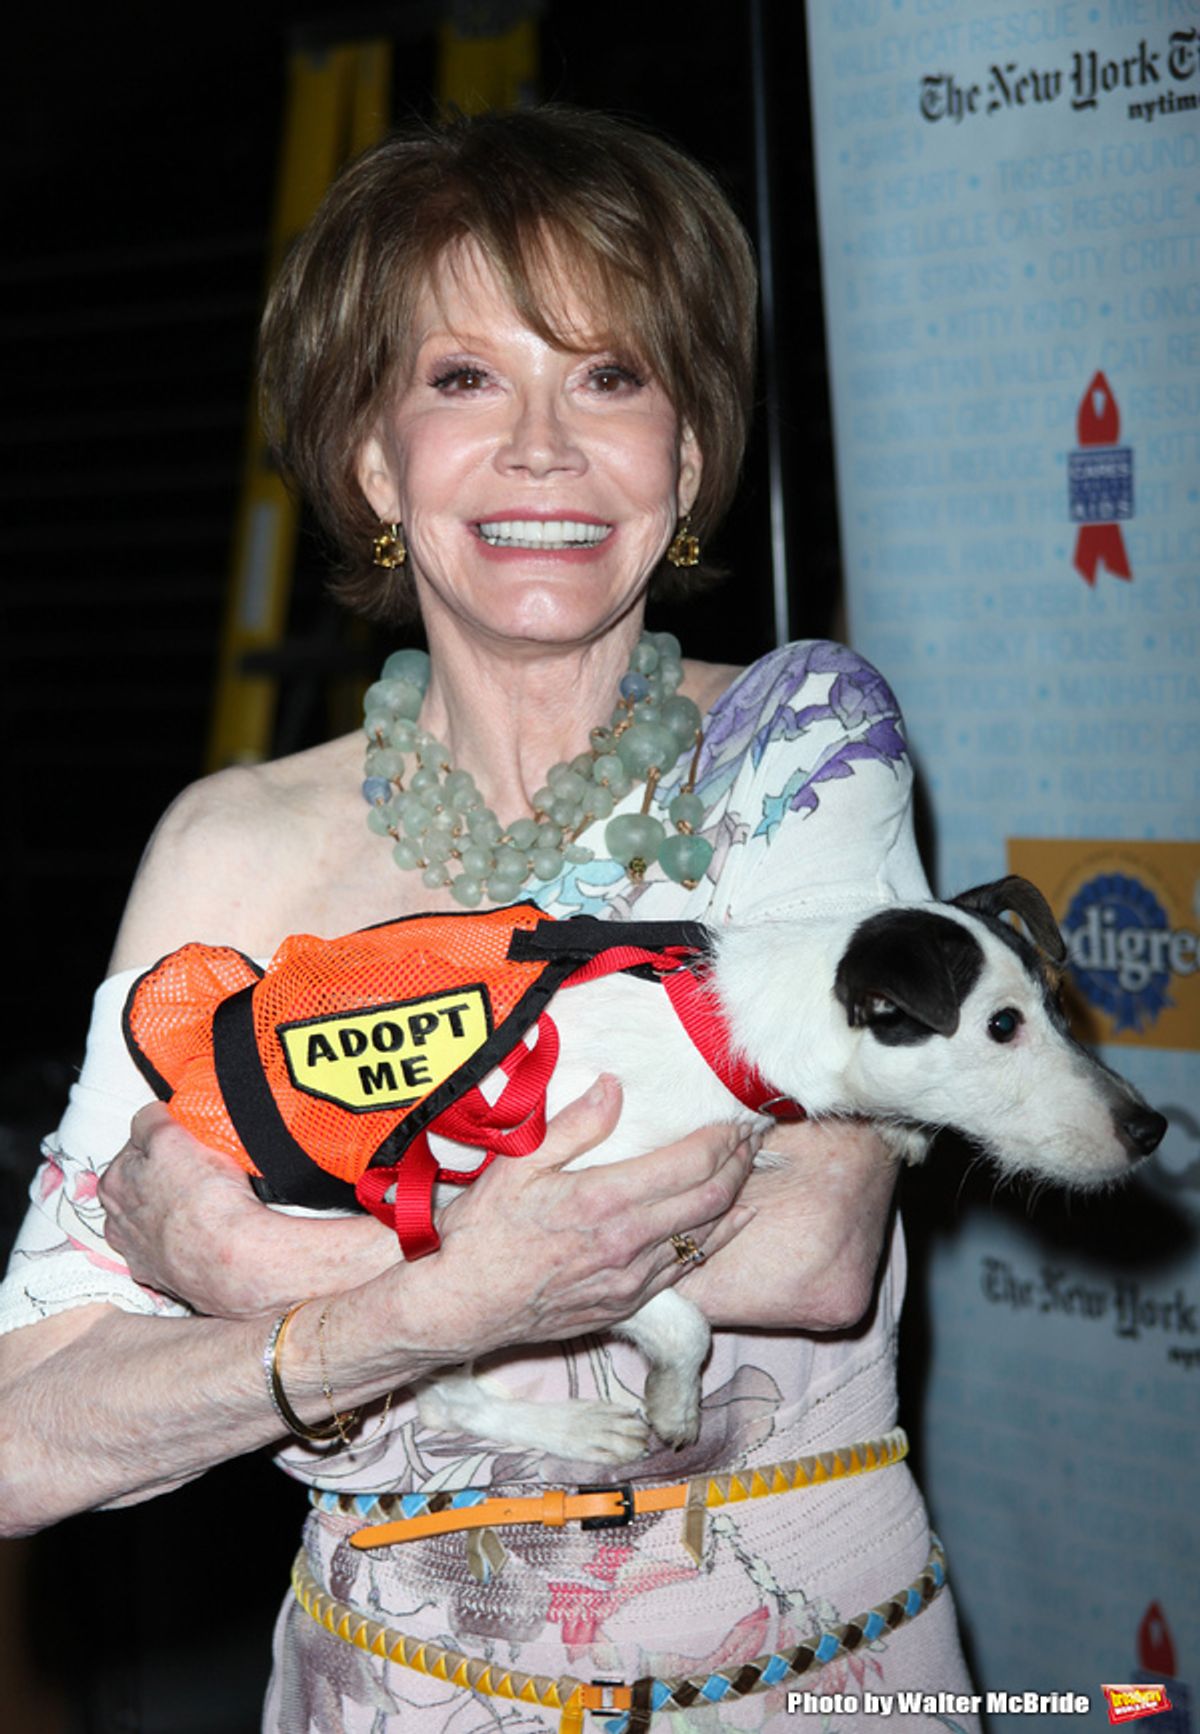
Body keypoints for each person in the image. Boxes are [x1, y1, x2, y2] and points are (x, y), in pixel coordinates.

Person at [0, 108, 978, 1730]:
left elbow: (811, 1241)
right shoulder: (231, 852)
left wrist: (246, 1256)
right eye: (464, 380)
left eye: (610, 378)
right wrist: (410, 1309)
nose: (543, 446)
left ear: (686, 456)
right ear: (376, 459)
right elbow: (29, 1431)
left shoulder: (795, 749)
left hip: (802, 1682)